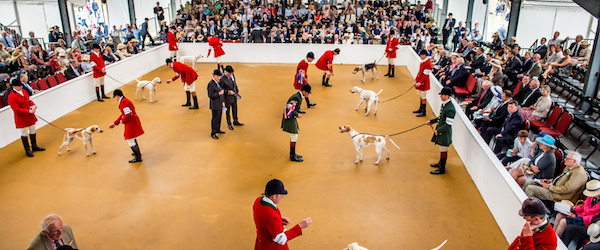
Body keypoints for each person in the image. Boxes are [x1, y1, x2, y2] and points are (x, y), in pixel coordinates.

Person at [253, 179, 312, 250]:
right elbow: (281, 239)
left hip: (261, 245)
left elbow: (264, 218)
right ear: (274, 196)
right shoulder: (272, 215)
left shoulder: (258, 200)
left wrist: (279, 220)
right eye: (280, 194)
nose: (282, 196)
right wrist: (300, 226)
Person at [7, 78, 44, 157]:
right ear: (14, 87)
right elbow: (16, 109)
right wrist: (28, 111)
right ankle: (27, 150)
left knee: (33, 130)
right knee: (24, 133)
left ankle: (34, 146)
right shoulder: (11, 97)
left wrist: (33, 105)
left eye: (21, 85)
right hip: (22, 118)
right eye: (19, 86)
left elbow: (29, 100)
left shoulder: (24, 91)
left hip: (29, 115)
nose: (21, 87)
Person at [426, 86, 455, 175]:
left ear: (447, 95)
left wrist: (439, 131)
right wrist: (432, 121)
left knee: (443, 150)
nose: (440, 96)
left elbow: (448, 124)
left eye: (442, 95)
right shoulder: (445, 105)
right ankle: (440, 163)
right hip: (441, 130)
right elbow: (441, 117)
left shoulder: (450, 108)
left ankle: (442, 168)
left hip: (444, 132)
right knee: (441, 149)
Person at [109, 89, 144, 163]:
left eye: (115, 97)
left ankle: (137, 157)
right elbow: (124, 113)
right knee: (132, 137)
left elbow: (127, 114)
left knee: (130, 139)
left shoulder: (123, 102)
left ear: (117, 96)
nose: (115, 99)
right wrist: (115, 123)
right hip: (132, 121)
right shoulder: (125, 100)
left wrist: (123, 121)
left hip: (130, 122)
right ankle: (137, 153)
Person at [282, 84, 312, 162]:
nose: (308, 94)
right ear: (304, 91)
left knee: (294, 136)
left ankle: (293, 154)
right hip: (290, 118)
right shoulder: (296, 97)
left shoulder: (299, 96)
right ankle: (292, 156)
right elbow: (289, 107)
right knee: (294, 136)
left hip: (291, 118)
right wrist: (297, 114)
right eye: (308, 93)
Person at [220, 65, 244, 130]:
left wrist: (237, 91)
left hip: (234, 96)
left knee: (235, 108)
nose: (231, 74)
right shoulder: (222, 79)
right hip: (227, 98)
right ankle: (229, 123)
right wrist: (228, 92)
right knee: (228, 111)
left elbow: (235, 84)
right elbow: (221, 89)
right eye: (230, 73)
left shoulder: (232, 75)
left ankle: (235, 120)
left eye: (232, 73)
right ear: (226, 72)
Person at [207, 69, 225, 139]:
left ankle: (218, 129)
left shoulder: (217, 83)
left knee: (219, 118)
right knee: (215, 118)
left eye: (219, 76)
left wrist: (222, 102)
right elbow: (210, 95)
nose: (219, 78)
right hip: (215, 105)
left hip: (219, 103)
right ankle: (213, 132)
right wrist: (219, 93)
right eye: (217, 76)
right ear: (214, 76)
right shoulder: (211, 84)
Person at [413, 49, 431, 117]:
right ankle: (420, 109)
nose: (420, 56)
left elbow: (426, 76)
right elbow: (419, 73)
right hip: (420, 82)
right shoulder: (422, 62)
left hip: (424, 83)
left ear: (424, 55)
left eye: (421, 55)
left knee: (423, 97)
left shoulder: (427, 64)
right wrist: (416, 80)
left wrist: (420, 83)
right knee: (421, 96)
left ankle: (423, 111)